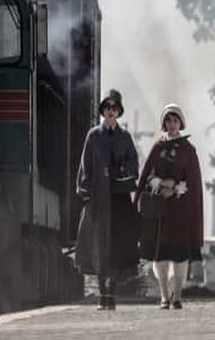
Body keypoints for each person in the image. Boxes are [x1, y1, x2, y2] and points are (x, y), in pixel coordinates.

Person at [75, 89, 140, 310]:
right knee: (98, 245)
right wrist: (85, 190)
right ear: (103, 111)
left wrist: (122, 172)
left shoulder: (125, 137)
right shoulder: (93, 136)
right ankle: (103, 294)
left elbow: (134, 164)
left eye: (114, 108)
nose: (110, 112)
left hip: (120, 199)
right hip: (99, 198)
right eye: (107, 108)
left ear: (118, 112)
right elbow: (86, 165)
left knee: (117, 246)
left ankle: (111, 294)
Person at [135, 103, 204, 310]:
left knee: (180, 255)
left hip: (180, 210)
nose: (172, 124)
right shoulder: (158, 147)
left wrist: (176, 189)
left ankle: (177, 297)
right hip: (160, 210)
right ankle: (164, 297)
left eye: (175, 120)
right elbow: (148, 175)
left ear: (180, 123)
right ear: (164, 123)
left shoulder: (188, 150)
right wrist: (160, 184)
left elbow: (192, 181)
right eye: (168, 120)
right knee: (161, 254)